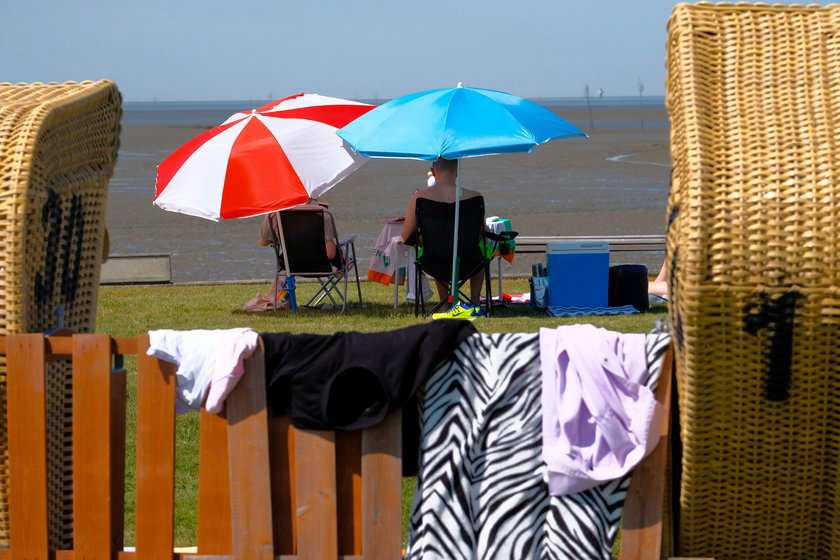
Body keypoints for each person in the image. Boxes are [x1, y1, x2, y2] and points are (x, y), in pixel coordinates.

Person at [401, 157, 486, 309]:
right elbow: (484, 232)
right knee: (481, 254)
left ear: (433, 172)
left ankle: (444, 304)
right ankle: (475, 302)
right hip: (469, 261)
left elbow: (406, 236)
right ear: (457, 172)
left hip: (434, 261)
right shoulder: (476, 197)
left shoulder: (419, 198)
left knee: (438, 248)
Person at [259, 199, 338, 264]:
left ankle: (281, 280)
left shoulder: (274, 213)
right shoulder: (323, 213)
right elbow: (331, 255)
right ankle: (336, 269)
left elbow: (264, 242)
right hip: (321, 264)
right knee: (344, 250)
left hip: (289, 264)